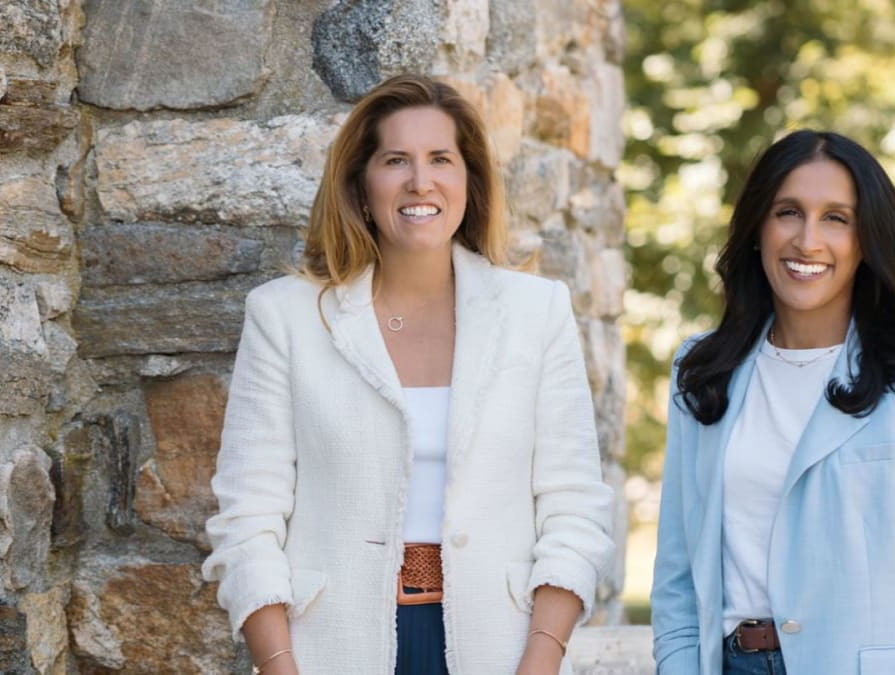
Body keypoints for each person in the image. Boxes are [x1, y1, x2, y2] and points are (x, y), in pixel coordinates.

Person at [202, 74, 614, 675]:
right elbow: (248, 517)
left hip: (501, 648)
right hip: (331, 649)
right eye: (396, 160)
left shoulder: (537, 312)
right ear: (360, 185)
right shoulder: (284, 317)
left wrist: (541, 660)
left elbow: (573, 507)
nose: (421, 181)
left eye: (441, 159)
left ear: (469, 180)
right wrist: (279, 665)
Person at [650, 130, 895, 675]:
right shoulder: (701, 369)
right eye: (788, 213)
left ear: (866, 240)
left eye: (836, 219)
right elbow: (678, 576)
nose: (808, 240)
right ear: (757, 229)